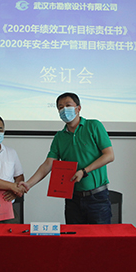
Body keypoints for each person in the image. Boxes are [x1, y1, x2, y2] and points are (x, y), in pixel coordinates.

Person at [25, 92, 115, 224]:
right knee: (74, 237)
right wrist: (28, 184)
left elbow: (109, 155)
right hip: (73, 198)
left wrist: (84, 171)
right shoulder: (59, 137)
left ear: (78, 108)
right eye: (60, 107)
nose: (64, 110)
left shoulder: (93, 126)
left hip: (97, 198)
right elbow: (48, 164)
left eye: (68, 105)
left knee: (99, 237)